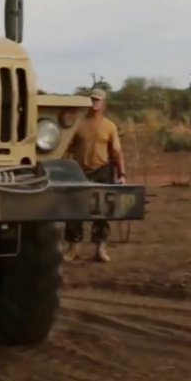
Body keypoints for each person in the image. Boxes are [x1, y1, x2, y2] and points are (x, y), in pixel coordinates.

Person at [64, 88, 126, 263]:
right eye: (92, 99)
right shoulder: (78, 124)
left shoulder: (110, 126)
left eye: (97, 100)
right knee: (75, 210)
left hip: (102, 171)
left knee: (102, 211)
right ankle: (73, 248)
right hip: (79, 172)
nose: (94, 103)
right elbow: (66, 149)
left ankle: (101, 249)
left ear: (104, 103)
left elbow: (116, 152)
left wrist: (122, 174)